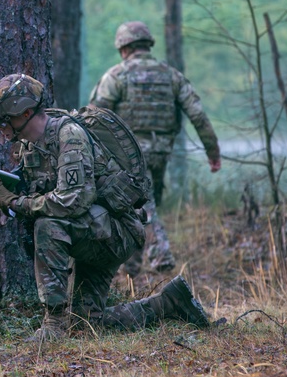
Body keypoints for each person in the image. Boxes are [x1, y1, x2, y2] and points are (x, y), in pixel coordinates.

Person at [0, 74, 210, 341]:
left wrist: (15, 202)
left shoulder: (69, 136)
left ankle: (53, 325)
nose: (1, 128)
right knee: (87, 324)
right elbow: (43, 198)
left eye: (5, 121)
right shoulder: (30, 146)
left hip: (114, 234)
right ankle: (170, 303)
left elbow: (72, 201)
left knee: (48, 225)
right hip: (93, 231)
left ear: (26, 113)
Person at [89, 21, 221, 275]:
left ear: (123, 48)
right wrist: (212, 152)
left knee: (142, 205)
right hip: (161, 152)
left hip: (127, 156)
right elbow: (198, 116)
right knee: (144, 203)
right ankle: (132, 268)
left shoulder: (116, 76)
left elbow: (94, 117)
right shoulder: (171, 76)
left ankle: (160, 253)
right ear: (147, 45)